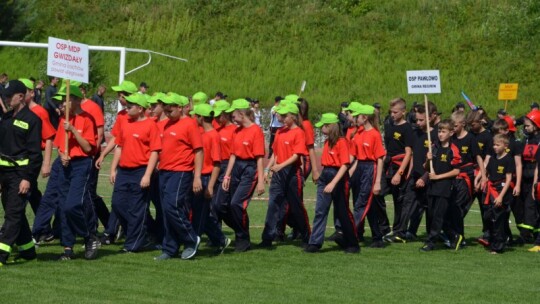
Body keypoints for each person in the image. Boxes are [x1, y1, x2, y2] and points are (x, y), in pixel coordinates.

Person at [53, 85, 100, 260]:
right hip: (66, 164)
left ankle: (89, 236)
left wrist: (72, 130)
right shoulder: (62, 120)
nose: (62, 104)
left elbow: (89, 147)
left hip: (82, 164)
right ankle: (67, 248)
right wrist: (62, 155)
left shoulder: (87, 119)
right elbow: (59, 144)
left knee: (72, 205)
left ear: (74, 100)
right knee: (63, 207)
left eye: (64, 100)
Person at [154, 92, 203, 260]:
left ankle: (190, 238)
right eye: (165, 110)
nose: (167, 113)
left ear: (180, 107)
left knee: (172, 206)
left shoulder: (190, 124)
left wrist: (197, 177)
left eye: (170, 110)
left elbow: (198, 151)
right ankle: (170, 248)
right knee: (166, 210)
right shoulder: (165, 125)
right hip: (164, 171)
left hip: (181, 171)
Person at [110, 93, 160, 252]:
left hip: (140, 170)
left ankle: (133, 243)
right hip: (124, 171)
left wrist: (147, 174)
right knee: (118, 204)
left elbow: (155, 151)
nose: (127, 107)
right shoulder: (125, 123)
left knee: (136, 208)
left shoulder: (151, 125)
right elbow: (119, 147)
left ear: (140, 109)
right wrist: (113, 168)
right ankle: (141, 234)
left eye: (130, 106)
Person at [0, 80, 42, 266]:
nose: (7, 99)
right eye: (5, 96)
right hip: (5, 174)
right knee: (14, 213)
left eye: (10, 96)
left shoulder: (33, 120)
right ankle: (27, 250)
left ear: (21, 96)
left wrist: (27, 178)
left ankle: (1, 254)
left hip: (21, 175)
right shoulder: (6, 118)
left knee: (12, 215)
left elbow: (35, 155)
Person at [305, 113, 359, 253]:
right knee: (320, 210)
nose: (321, 129)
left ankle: (353, 243)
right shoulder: (327, 142)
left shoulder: (342, 142)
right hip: (326, 175)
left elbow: (345, 165)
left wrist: (333, 183)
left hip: (338, 177)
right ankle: (315, 243)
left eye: (323, 126)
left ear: (330, 126)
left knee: (342, 212)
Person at [261, 102, 310, 247]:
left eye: (284, 115)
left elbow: (297, 155)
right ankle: (267, 237)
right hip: (278, 174)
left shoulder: (299, 133)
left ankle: (306, 236)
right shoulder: (280, 132)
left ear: (293, 117)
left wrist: (280, 166)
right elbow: (275, 153)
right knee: (273, 204)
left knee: (296, 207)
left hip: (292, 174)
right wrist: (267, 169)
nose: (281, 117)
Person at [96, 80, 138, 245]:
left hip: (139, 166)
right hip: (124, 164)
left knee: (136, 205)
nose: (120, 98)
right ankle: (111, 232)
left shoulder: (143, 117)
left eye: (122, 95)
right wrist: (104, 155)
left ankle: (141, 231)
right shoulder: (121, 116)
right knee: (118, 200)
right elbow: (116, 139)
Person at [221, 99, 266, 252]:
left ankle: (243, 238)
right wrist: (227, 176)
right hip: (236, 168)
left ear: (241, 113)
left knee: (236, 204)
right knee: (228, 205)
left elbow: (259, 157)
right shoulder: (236, 130)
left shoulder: (256, 130)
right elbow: (233, 155)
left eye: (233, 114)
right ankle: (241, 235)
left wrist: (260, 180)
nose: (231, 117)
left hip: (249, 168)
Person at [190, 103, 231, 253]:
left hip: (206, 177)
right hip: (198, 176)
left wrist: (210, 186)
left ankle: (193, 242)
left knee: (199, 215)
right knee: (201, 213)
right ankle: (220, 239)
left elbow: (216, 164)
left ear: (201, 117)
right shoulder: (201, 133)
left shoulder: (213, 136)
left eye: (196, 115)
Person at [420, 119, 461, 252]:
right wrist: (428, 159)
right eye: (439, 131)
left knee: (438, 216)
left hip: (445, 186)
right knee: (432, 215)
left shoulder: (453, 149)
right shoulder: (434, 146)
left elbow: (456, 171)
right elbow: (425, 167)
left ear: (451, 133)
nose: (440, 134)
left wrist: (438, 176)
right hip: (432, 185)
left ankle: (431, 242)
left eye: (443, 131)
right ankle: (454, 236)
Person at [349, 104, 386, 247]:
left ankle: (350, 233)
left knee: (361, 203)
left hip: (370, 168)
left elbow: (380, 158)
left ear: (365, 118)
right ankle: (377, 237)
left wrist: (377, 182)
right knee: (366, 204)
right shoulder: (358, 133)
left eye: (357, 116)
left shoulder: (375, 134)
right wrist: (348, 169)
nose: (355, 118)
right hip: (359, 168)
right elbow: (355, 156)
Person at [19, 79, 55, 216]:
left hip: (32, 159)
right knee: (32, 194)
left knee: (23, 193)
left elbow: (49, 138)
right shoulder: (17, 111)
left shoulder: (40, 112)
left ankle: (14, 228)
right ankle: (44, 228)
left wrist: (46, 164)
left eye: (24, 91)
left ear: (32, 93)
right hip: (20, 158)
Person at [449, 111, 485, 248]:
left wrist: (483, 176)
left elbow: (478, 158)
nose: (453, 128)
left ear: (463, 124)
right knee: (453, 207)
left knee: (457, 206)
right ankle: (456, 236)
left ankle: (459, 237)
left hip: (466, 177)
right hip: (453, 176)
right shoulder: (451, 139)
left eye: (455, 125)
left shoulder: (471, 138)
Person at [379, 98, 413, 243]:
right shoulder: (389, 125)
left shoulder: (407, 128)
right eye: (391, 112)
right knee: (378, 193)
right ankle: (383, 227)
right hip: (388, 165)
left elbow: (408, 153)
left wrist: (400, 173)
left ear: (403, 112)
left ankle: (398, 231)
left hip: (399, 167)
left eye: (395, 112)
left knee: (398, 200)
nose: (392, 114)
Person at [404, 103, 437, 242]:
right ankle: (409, 231)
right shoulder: (415, 132)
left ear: (430, 118)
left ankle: (432, 234)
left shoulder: (435, 134)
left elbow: (434, 159)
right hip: (415, 175)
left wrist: (425, 177)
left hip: (429, 176)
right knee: (411, 203)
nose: (417, 123)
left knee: (429, 207)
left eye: (421, 120)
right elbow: (412, 154)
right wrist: (410, 171)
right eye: (416, 120)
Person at [483, 134, 514, 254]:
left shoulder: (508, 160)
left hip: (501, 191)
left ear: (505, 146)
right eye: (494, 145)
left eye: (498, 145)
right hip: (491, 189)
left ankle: (498, 246)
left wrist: (501, 196)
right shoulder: (492, 158)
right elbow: (488, 174)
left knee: (498, 219)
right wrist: (483, 181)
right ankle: (492, 239)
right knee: (487, 216)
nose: (495, 147)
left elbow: (508, 179)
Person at [516, 109, 540, 243]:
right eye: (524, 126)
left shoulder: (538, 141)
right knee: (523, 206)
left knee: (530, 207)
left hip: (534, 178)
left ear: (536, 125)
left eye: (527, 126)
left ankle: (525, 235)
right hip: (524, 177)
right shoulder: (525, 140)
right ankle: (532, 233)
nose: (525, 128)